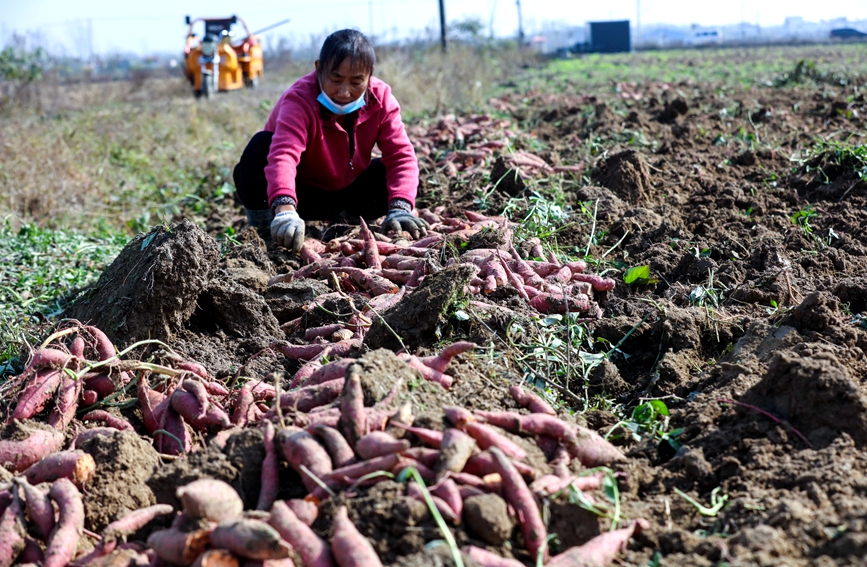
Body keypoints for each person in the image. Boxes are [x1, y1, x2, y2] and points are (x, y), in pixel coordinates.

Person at [233, 29, 429, 252]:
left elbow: (400, 155)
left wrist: (401, 207)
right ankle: (266, 233)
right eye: (336, 80)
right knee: (260, 147)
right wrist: (285, 209)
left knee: (391, 176)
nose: (344, 92)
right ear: (319, 69)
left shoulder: (381, 98)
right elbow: (283, 155)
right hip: (299, 193)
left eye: (356, 82)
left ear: (369, 74)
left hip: (347, 192)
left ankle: (346, 222)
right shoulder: (299, 99)